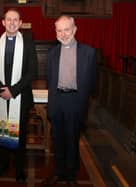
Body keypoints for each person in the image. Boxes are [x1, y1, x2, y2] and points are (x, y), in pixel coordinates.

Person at [0, 8, 37, 183]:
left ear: (20, 23)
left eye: (16, 20)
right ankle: (2, 165)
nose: (12, 23)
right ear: (3, 22)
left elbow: (32, 72)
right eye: (9, 19)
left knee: (19, 135)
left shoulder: (28, 43)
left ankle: (19, 168)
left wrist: (13, 91)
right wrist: (1, 89)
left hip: (20, 97)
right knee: (2, 133)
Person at [43, 15, 96, 186]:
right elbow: (49, 79)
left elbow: (92, 81)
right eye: (59, 30)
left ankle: (71, 175)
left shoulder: (88, 52)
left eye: (67, 29)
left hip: (75, 101)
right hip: (57, 99)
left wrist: (83, 103)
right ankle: (59, 172)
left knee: (72, 140)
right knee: (57, 139)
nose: (63, 34)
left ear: (74, 30)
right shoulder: (51, 53)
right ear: (56, 32)